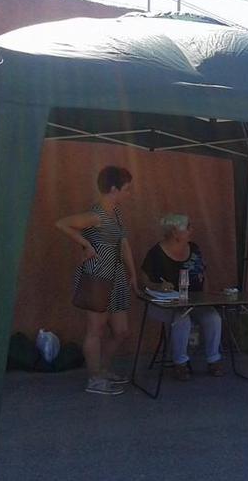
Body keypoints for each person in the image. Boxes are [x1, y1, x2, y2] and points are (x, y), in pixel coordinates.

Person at [56, 166, 139, 396]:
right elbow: (62, 223)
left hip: (117, 277)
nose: (129, 193)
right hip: (97, 277)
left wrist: (133, 275)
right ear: (113, 189)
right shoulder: (95, 215)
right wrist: (85, 244)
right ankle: (94, 378)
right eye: (127, 189)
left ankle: (102, 370)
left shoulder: (117, 213)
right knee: (96, 329)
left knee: (121, 330)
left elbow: (123, 244)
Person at [139, 214, 224, 381]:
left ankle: (214, 359)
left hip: (193, 301)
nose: (191, 230)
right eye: (187, 228)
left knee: (213, 317)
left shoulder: (194, 248)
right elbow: (144, 281)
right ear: (174, 232)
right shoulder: (156, 253)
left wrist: (207, 298)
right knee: (182, 319)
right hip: (165, 304)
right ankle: (180, 363)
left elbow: (203, 274)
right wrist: (159, 286)